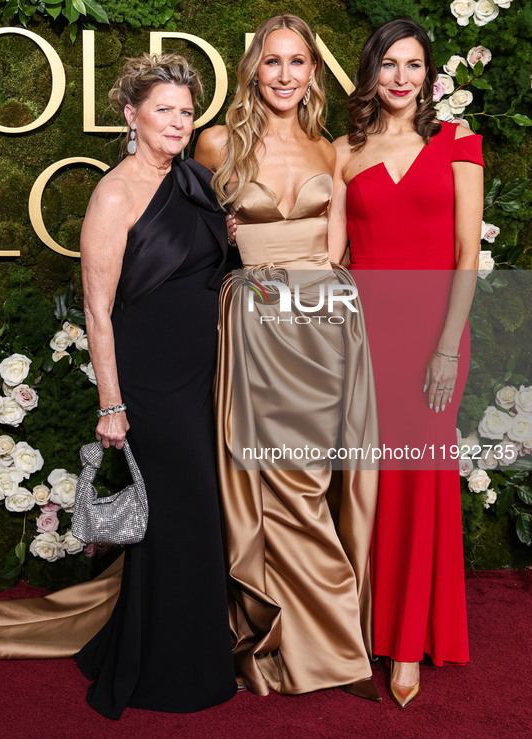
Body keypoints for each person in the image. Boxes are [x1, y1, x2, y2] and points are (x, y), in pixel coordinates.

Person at [0, 53, 237, 719]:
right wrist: (112, 404)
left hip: (204, 371)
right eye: (164, 109)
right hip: (150, 379)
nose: (178, 120)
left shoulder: (196, 179)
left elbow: (214, 258)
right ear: (130, 114)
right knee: (185, 513)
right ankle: (168, 670)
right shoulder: (113, 192)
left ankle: (163, 647)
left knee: (187, 517)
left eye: (186, 110)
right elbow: (97, 309)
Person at [195, 14, 380, 701]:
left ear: (311, 73)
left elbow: (337, 249)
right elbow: (187, 239)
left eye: (296, 62)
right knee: (278, 490)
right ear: (253, 71)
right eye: (270, 62)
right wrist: (226, 240)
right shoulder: (215, 144)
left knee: (315, 482)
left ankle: (318, 640)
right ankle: (322, 649)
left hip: (322, 329)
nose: (282, 75)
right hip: (255, 332)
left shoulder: (329, 150)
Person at [330, 18, 484, 707]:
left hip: (432, 334)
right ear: (371, 73)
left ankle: (405, 644)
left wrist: (448, 345)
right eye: (388, 64)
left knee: (417, 482)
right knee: (366, 483)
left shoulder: (458, 144)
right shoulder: (342, 152)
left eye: (413, 65)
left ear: (427, 75)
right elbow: (329, 255)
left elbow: (463, 256)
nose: (400, 77)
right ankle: (356, 625)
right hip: (359, 338)